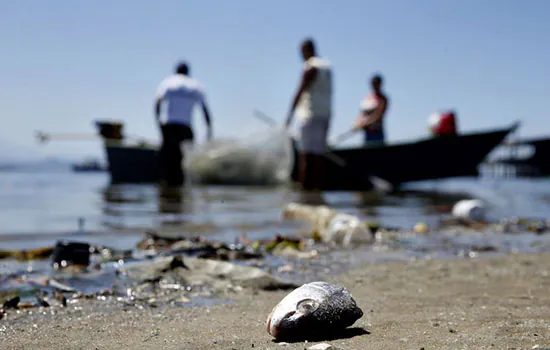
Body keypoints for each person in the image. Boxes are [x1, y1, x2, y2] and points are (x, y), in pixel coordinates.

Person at [154, 61, 213, 186]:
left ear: (176, 71)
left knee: (167, 160)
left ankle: (167, 188)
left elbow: (157, 104)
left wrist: (158, 124)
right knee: (186, 160)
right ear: (188, 72)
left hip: (169, 126)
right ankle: (182, 189)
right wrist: (209, 129)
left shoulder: (168, 82)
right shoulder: (195, 85)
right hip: (185, 127)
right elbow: (205, 109)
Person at [285, 38, 332, 191]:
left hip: (309, 115)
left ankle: (304, 193)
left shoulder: (310, 67)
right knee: (318, 155)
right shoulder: (327, 66)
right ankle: (317, 191)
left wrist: (289, 115)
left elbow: (300, 91)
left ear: (307, 50)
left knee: (305, 155)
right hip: (325, 114)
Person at [354, 74, 389, 146]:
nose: (375, 86)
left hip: (377, 133)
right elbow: (362, 113)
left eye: (377, 84)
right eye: (373, 84)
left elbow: (378, 114)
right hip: (367, 134)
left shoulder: (383, 99)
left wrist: (365, 123)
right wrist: (357, 123)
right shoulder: (368, 98)